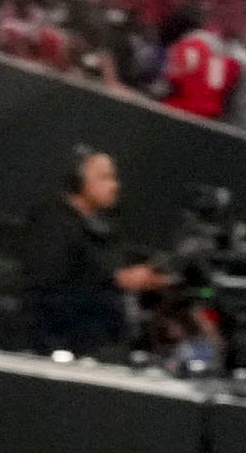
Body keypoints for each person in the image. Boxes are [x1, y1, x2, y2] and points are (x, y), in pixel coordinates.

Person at [19, 146, 165, 355]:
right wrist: (117, 280)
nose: (114, 186)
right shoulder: (52, 223)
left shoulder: (104, 230)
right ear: (79, 181)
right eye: (105, 178)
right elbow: (48, 288)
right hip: (58, 344)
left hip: (99, 345)